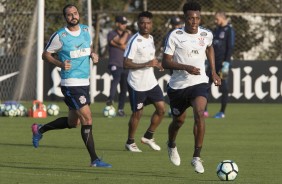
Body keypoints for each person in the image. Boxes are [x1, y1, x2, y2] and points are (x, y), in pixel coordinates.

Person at [31, 4, 111, 168]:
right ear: (65, 17)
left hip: (84, 82)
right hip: (71, 83)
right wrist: (60, 63)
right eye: (69, 15)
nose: (73, 16)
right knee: (87, 118)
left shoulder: (86, 30)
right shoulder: (60, 36)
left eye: (75, 13)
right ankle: (94, 159)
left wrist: (93, 56)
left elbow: (87, 50)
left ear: (78, 14)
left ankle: (39, 129)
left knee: (73, 122)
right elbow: (45, 55)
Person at [162, 1, 221, 173]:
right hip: (178, 86)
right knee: (178, 121)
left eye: (197, 18)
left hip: (199, 82)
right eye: (190, 18)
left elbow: (209, 48)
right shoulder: (175, 35)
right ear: (185, 19)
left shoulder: (206, 34)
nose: (194, 22)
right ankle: (171, 144)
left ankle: (196, 157)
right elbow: (165, 62)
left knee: (199, 114)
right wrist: (186, 67)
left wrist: (214, 72)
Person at [123, 11, 166, 152]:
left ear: (151, 24)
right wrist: (147, 63)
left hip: (151, 82)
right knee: (138, 113)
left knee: (161, 109)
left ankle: (148, 136)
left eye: (148, 23)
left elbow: (150, 60)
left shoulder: (151, 38)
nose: (145, 26)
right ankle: (130, 142)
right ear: (138, 24)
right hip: (137, 84)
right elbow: (126, 64)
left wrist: (156, 64)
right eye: (142, 23)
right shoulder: (134, 40)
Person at [205, 11, 235, 118]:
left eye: (216, 19)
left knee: (223, 87)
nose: (215, 21)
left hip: (223, 65)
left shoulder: (229, 30)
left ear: (222, 18)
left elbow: (230, 47)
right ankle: (204, 111)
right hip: (213, 63)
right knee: (205, 85)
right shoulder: (216, 30)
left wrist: (226, 62)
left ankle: (222, 112)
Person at [106, 16, 132, 117]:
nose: (124, 25)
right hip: (115, 62)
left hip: (125, 64)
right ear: (117, 24)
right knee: (116, 78)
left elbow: (126, 46)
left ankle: (120, 109)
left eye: (125, 23)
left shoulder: (130, 36)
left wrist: (116, 44)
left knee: (124, 88)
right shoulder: (111, 33)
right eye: (122, 23)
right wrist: (125, 34)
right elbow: (122, 43)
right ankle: (110, 99)